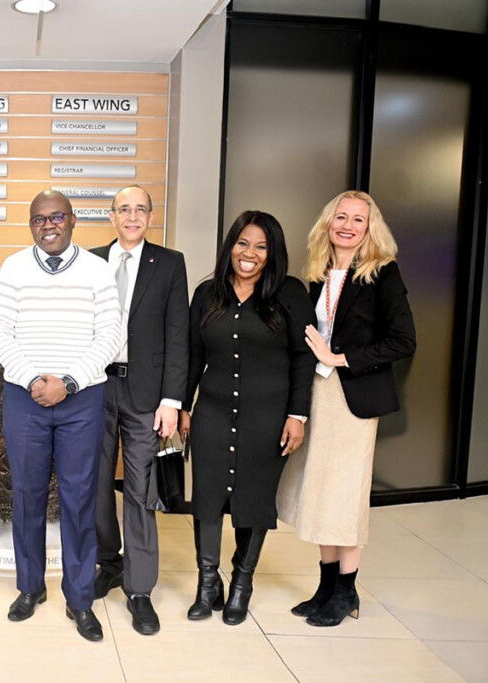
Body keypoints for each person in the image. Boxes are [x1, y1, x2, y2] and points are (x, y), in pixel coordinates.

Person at [277, 191, 416, 627]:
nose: (348, 225)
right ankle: (325, 586)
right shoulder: (319, 272)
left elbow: (403, 340)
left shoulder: (382, 273)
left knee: (346, 495)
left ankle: (346, 590)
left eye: (359, 219)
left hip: (353, 398)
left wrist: (340, 358)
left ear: (370, 228)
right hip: (318, 395)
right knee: (319, 491)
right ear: (329, 221)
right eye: (342, 216)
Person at [0, 190, 122, 642]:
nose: (49, 225)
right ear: (32, 225)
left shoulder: (98, 271)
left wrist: (68, 381)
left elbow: (110, 335)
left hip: (81, 399)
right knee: (26, 495)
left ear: (73, 220)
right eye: (40, 219)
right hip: (26, 398)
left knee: (79, 498)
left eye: (57, 217)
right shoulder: (13, 269)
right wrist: (33, 380)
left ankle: (80, 597)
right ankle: (29, 588)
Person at [179, 210, 315, 626]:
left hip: (268, 416)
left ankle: (241, 583)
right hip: (213, 412)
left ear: (272, 253)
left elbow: (303, 358)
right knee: (206, 497)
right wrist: (184, 406)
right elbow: (192, 356)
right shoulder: (207, 293)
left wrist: (298, 415)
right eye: (243, 243)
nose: (250, 253)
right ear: (230, 246)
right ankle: (207, 585)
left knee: (253, 498)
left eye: (261, 246)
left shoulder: (290, 293)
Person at [90, 185, 189, 635]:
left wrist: (172, 400)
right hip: (94, 387)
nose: (132, 216)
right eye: (123, 209)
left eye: (140, 209)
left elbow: (178, 336)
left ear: (151, 215)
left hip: (146, 395)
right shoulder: (88, 260)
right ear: (111, 216)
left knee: (140, 490)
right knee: (92, 484)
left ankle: (140, 589)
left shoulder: (169, 263)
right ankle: (109, 563)